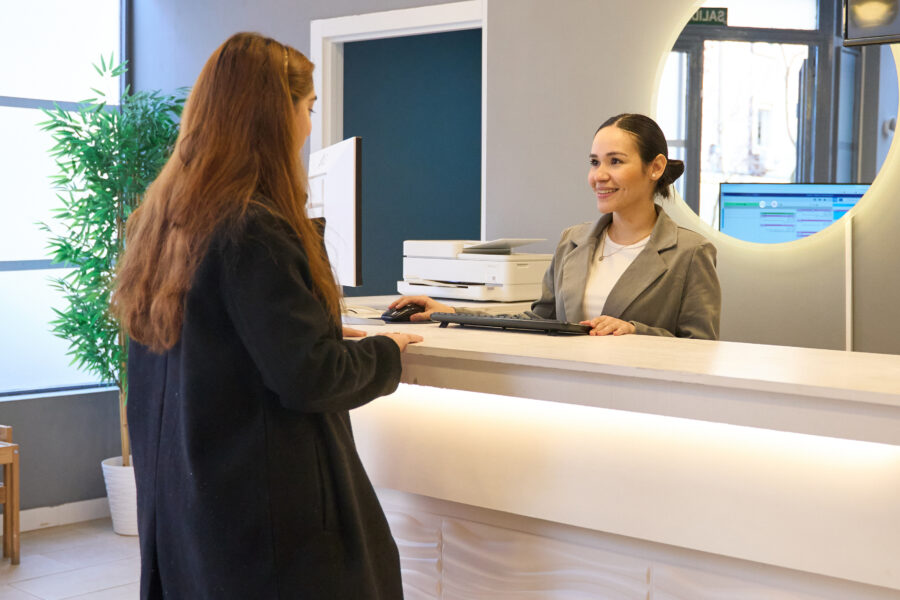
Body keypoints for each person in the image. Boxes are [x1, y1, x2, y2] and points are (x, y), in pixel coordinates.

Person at [111, 32, 420, 599]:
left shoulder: (163, 222)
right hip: (266, 516)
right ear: (275, 115)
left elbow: (220, 339)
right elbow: (310, 376)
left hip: (192, 507)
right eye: (307, 109)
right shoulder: (255, 226)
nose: (308, 127)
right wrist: (384, 353)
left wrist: (319, 328)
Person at [392, 113, 721, 339]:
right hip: (567, 399)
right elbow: (540, 322)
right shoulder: (573, 241)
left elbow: (701, 347)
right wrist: (448, 312)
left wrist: (636, 330)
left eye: (615, 161)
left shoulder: (691, 252)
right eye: (594, 162)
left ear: (656, 167)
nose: (599, 175)